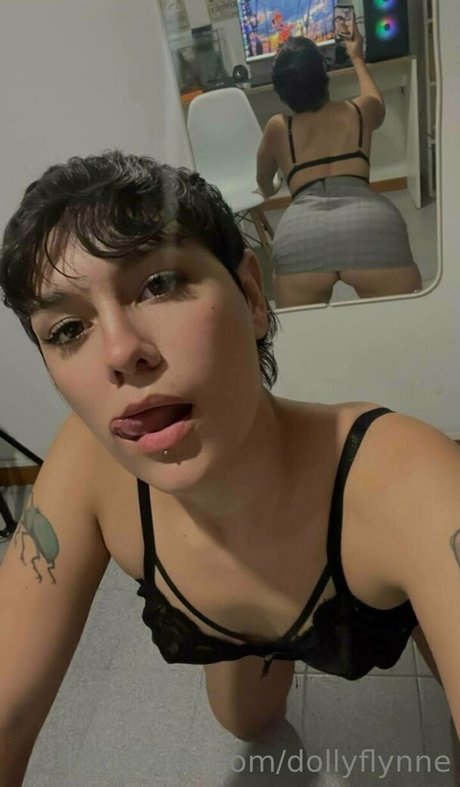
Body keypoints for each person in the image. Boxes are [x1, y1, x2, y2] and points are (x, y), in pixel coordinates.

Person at [0, 152, 458, 786]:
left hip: (361, 590)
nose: (120, 352)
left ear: (251, 295)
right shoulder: (89, 469)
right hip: (229, 629)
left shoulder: (407, 479)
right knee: (244, 721)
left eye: (158, 284)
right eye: (68, 328)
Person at [256, 23, 422, 308]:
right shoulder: (360, 110)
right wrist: (356, 56)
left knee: (305, 332)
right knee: (405, 321)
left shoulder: (278, 128)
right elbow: (375, 99)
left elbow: (264, 184)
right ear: (324, 75)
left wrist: (272, 187)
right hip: (369, 224)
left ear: (281, 90)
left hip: (301, 234)